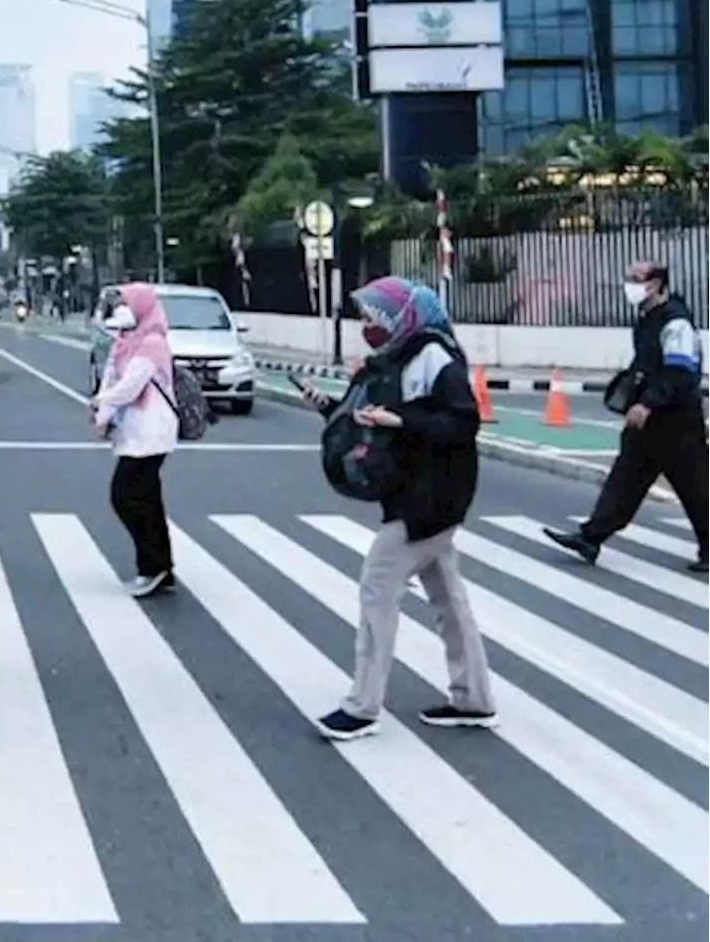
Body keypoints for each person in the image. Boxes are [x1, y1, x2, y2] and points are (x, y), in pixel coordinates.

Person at [299, 276, 496, 742]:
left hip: (430, 498)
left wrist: (401, 419)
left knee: (377, 588)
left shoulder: (434, 356)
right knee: (449, 596)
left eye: (374, 317)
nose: (366, 325)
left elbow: (463, 422)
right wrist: (327, 405)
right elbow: (371, 421)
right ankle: (474, 698)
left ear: (400, 316)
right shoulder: (396, 359)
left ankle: (363, 707)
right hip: (417, 494)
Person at [543, 261, 709, 573]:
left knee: (697, 486)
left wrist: (648, 403)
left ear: (657, 284)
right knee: (625, 479)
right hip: (647, 421)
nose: (629, 284)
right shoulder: (647, 321)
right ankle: (591, 537)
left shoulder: (676, 323)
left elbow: (680, 372)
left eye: (636, 279)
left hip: (676, 420)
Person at [91, 283, 179, 597]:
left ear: (142, 306)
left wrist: (101, 401)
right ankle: (160, 567)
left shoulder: (153, 343)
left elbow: (131, 386)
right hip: (133, 430)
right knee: (147, 498)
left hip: (152, 431)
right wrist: (102, 417)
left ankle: (152, 565)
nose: (122, 309)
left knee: (126, 495)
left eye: (127, 303)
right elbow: (111, 377)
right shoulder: (125, 341)